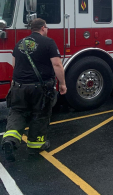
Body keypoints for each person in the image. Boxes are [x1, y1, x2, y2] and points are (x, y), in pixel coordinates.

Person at [1, 18, 67, 162]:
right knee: (40, 115)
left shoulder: (20, 43)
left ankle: (10, 140)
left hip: (18, 86)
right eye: (47, 27)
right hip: (40, 88)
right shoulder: (48, 42)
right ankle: (35, 146)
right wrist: (62, 84)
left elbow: (14, 64)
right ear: (43, 28)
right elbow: (57, 65)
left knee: (17, 112)